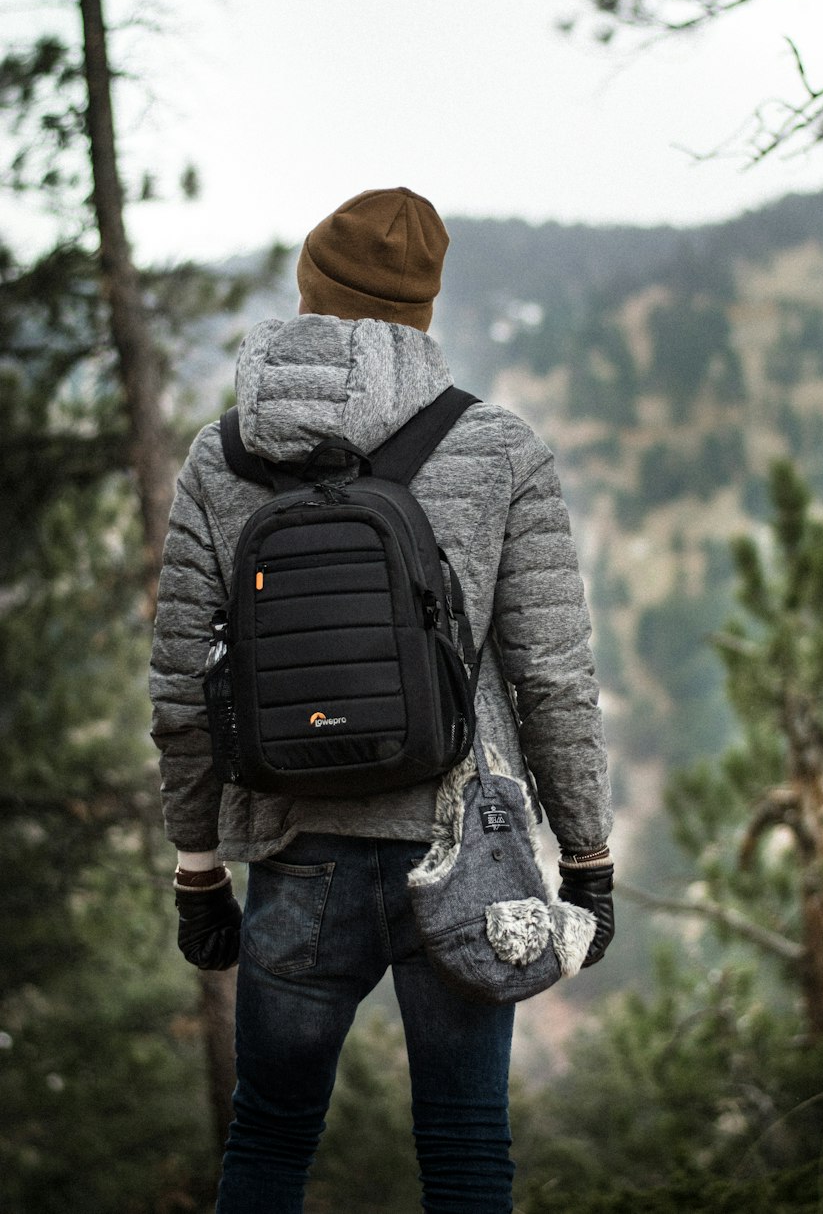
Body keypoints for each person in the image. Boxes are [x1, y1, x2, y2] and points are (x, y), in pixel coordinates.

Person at [150, 187, 614, 1214]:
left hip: (293, 849)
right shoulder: (499, 450)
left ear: (309, 293)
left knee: (268, 1142)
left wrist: (197, 871)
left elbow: (183, 691)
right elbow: (552, 677)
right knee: (461, 1148)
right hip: (465, 847)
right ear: (424, 313)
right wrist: (585, 857)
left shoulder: (219, 459)